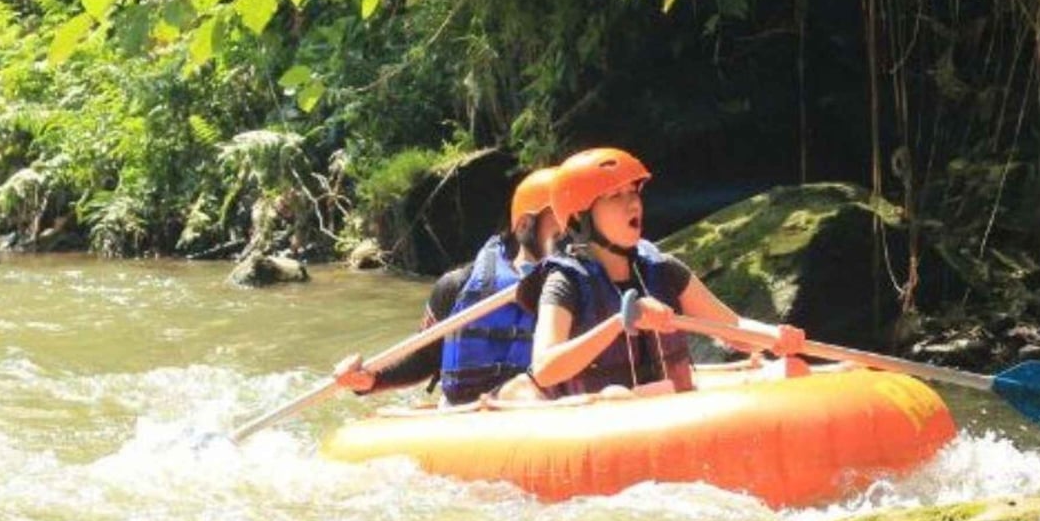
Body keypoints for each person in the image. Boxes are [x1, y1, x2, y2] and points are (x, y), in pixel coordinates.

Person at [522, 147, 804, 398]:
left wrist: (774, 336)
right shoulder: (565, 282)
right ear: (579, 219)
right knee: (615, 395)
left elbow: (733, 329)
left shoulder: (663, 269)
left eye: (633, 192)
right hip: (606, 424)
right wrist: (621, 321)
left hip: (674, 420)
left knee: (791, 368)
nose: (632, 203)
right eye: (615, 196)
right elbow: (545, 369)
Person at [334, 166, 560, 403]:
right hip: (466, 416)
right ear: (524, 226)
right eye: (562, 226)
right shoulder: (456, 286)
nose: (574, 238)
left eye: (580, 225)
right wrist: (371, 377)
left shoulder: (585, 285)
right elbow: (425, 358)